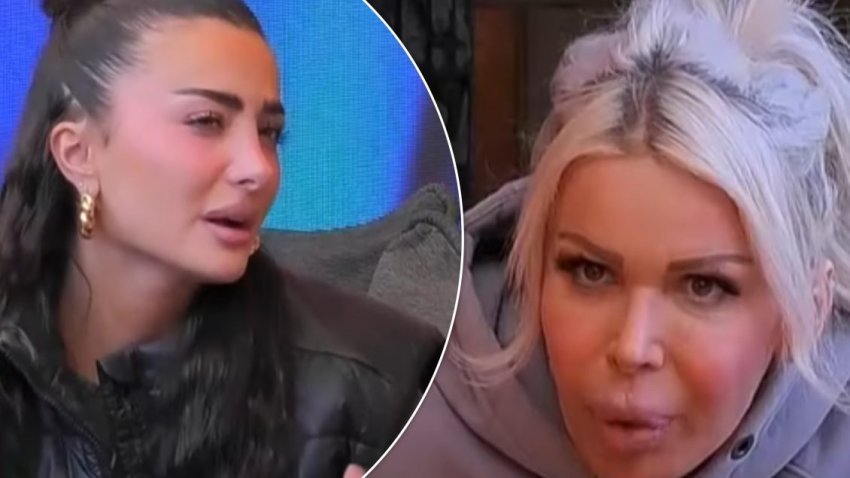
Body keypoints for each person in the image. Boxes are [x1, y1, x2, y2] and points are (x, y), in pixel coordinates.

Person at [372, 0, 850, 476]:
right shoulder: (384, 413)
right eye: (591, 272)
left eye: (702, 286)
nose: (632, 348)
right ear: (533, 270)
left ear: (808, 310)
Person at [0, 0, 442, 476]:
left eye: (270, 133)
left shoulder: (374, 386)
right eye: (206, 121)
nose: (259, 169)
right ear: (79, 154)